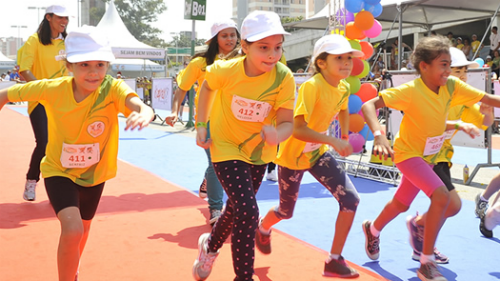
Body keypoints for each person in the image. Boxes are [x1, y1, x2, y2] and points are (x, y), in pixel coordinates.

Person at [0, 25, 154, 281]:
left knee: (82, 230)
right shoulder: (52, 88)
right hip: (58, 171)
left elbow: (136, 102)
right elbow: (7, 94)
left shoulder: (112, 89)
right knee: (72, 230)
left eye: (100, 64)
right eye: (84, 65)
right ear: (69, 66)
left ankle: (72, 271)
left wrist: (144, 112)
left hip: (95, 175)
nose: (93, 72)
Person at [361, 35, 500, 281]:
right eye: (443, 65)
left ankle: (372, 229)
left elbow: (488, 100)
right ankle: (426, 262)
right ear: (424, 66)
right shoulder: (410, 91)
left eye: (450, 65)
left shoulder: (452, 87)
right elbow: (369, 105)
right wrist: (378, 134)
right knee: (441, 196)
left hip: (429, 156)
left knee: (401, 204)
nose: (448, 71)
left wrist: (464, 121)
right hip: (407, 153)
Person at [191, 11, 295, 280]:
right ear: (245, 46)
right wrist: (201, 124)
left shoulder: (283, 78)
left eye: (277, 47)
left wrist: (277, 134)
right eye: (263, 47)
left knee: (236, 209)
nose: (272, 55)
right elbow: (207, 87)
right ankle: (244, 276)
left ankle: (210, 246)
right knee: (249, 211)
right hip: (225, 147)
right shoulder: (226, 70)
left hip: (258, 153)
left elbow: (287, 121)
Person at [256, 34, 362, 278]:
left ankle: (334, 260)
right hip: (292, 158)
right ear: (322, 63)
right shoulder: (311, 87)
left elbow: (344, 108)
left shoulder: (343, 86)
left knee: (350, 200)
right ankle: (262, 228)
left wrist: (344, 135)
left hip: (317, 154)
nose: (346, 63)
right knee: (285, 211)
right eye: (339, 58)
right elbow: (299, 129)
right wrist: (333, 139)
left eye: (348, 58)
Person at [405, 47, 493, 264]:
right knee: (448, 204)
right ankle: (421, 238)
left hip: (440, 156)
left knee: (442, 205)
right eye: (456, 70)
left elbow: (485, 123)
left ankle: (418, 231)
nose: (462, 75)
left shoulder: (462, 98)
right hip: (420, 155)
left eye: (464, 71)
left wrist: (488, 111)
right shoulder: (429, 95)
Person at [165, 19, 240, 226]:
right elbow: (182, 87)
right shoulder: (201, 63)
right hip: (206, 122)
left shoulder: (244, 60)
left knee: (230, 164)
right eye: (224, 36)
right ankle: (215, 209)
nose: (230, 39)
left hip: (234, 123)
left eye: (233, 35)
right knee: (216, 164)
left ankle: (210, 182)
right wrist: (174, 111)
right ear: (215, 39)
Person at [19, 5, 69, 201]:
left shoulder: (68, 42)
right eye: (60, 18)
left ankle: (59, 188)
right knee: (45, 143)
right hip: (40, 101)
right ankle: (31, 181)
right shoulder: (35, 41)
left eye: (66, 18)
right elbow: (24, 69)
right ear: (48, 17)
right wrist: (42, 90)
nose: (64, 22)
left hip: (64, 102)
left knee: (63, 145)